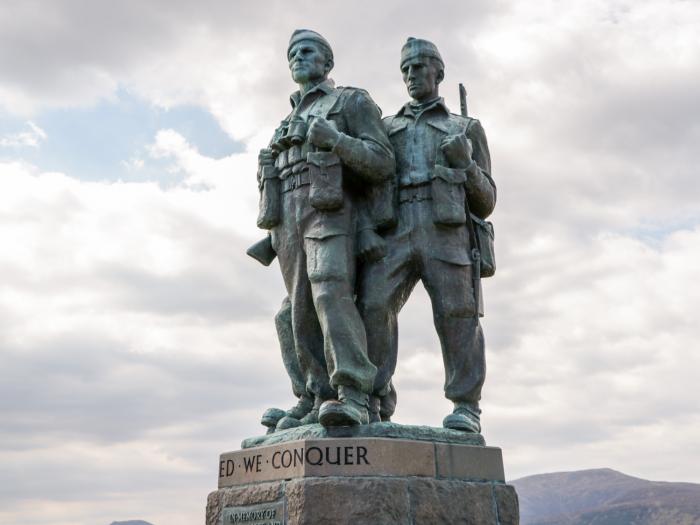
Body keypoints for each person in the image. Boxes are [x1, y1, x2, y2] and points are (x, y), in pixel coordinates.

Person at [256, 29, 394, 427]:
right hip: (287, 220)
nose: (298, 58)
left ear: (327, 62)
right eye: (292, 54)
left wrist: (335, 140)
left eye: (307, 51)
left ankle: (353, 392)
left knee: (330, 292)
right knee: (296, 310)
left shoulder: (350, 101)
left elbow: (382, 162)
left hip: (331, 210)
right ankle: (316, 396)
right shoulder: (284, 122)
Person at [357, 38, 496, 432]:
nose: (411, 75)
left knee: (458, 315)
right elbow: (367, 187)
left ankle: (466, 405)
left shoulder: (465, 128)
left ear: (439, 72)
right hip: (396, 226)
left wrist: (466, 164)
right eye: (405, 69)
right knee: (372, 305)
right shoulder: (386, 127)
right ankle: (374, 398)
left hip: (446, 229)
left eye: (418, 67)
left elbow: (486, 200)